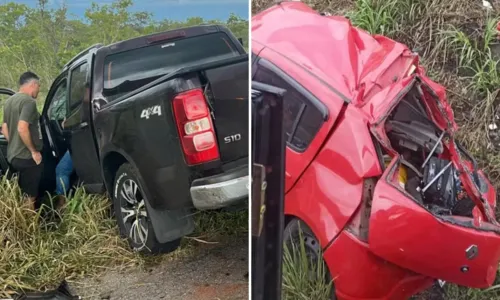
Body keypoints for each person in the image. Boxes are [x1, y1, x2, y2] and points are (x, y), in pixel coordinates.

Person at [2, 71, 43, 209]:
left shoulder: (9, 101)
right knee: (30, 196)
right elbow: (22, 128)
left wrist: (13, 142)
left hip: (13, 156)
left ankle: (22, 221)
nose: (39, 90)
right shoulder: (29, 102)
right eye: (39, 86)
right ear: (33, 84)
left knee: (23, 192)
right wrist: (33, 151)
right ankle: (30, 227)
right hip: (26, 157)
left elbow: (5, 127)